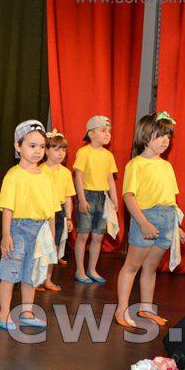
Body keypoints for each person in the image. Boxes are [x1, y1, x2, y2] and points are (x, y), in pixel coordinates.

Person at [115, 112, 185, 329]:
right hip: (146, 217)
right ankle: (121, 309)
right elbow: (129, 196)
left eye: (168, 136)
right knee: (132, 266)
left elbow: (171, 199)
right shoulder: (136, 165)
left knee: (150, 267)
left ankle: (146, 308)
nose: (166, 140)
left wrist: (176, 227)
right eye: (160, 135)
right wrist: (143, 223)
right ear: (146, 136)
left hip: (166, 219)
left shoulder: (167, 166)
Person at [0, 120, 58, 330]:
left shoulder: (46, 176)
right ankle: (4, 313)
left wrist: (52, 237)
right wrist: (6, 235)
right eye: (32, 146)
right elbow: (7, 208)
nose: (37, 151)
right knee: (10, 272)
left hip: (40, 231)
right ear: (18, 146)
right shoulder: (14, 175)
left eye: (41, 146)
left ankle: (27, 311)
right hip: (18, 229)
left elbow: (51, 210)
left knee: (32, 273)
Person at [73, 116, 118, 284]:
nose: (107, 134)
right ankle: (80, 270)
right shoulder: (84, 152)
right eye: (103, 130)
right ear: (91, 134)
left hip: (103, 197)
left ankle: (92, 269)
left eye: (109, 131)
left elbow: (110, 178)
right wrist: (81, 199)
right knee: (83, 235)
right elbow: (78, 176)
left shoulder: (108, 155)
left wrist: (114, 199)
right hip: (88, 195)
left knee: (98, 236)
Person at [39, 129, 75, 292]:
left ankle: (47, 279)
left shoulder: (66, 173)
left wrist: (68, 218)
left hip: (58, 212)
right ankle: (35, 280)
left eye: (63, 149)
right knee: (39, 246)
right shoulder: (39, 170)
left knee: (52, 246)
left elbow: (68, 197)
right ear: (46, 150)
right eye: (56, 149)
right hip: (42, 211)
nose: (61, 153)